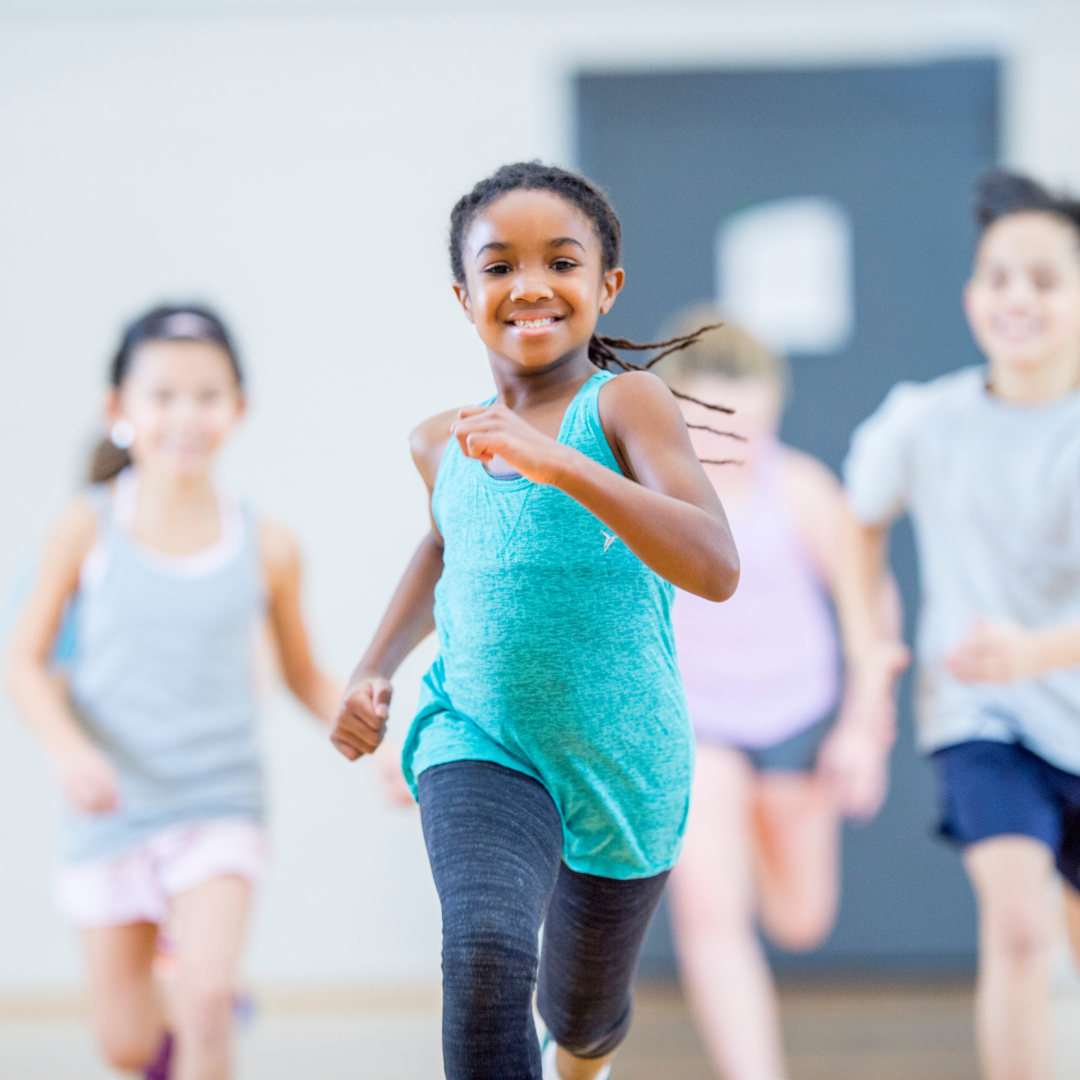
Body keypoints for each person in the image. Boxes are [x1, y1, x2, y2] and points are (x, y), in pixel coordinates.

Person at [329, 161, 740, 1080]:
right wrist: (375, 667)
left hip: (622, 758)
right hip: (478, 734)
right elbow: (444, 547)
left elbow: (716, 566)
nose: (530, 286)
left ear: (606, 286)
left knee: (582, 1016)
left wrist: (556, 463)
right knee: (481, 956)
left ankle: (579, 1057)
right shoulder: (440, 440)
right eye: (499, 265)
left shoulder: (628, 404)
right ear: (463, 293)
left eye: (561, 261)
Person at [4, 305, 340, 1080]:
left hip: (218, 802)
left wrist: (385, 748)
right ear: (118, 410)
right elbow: (21, 664)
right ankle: (179, 1011)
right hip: (113, 809)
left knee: (206, 1001)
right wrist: (68, 751)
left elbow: (303, 674)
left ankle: (205, 1001)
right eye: (163, 396)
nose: (186, 415)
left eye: (207, 395)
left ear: (238, 409)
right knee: (126, 1043)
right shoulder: (82, 530)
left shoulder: (270, 545)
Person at [843, 169, 1080, 1080]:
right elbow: (855, 521)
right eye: (997, 276)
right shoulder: (923, 420)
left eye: (1045, 280)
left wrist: (1036, 651)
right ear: (971, 293)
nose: (1016, 298)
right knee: (1020, 930)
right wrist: (870, 645)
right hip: (984, 718)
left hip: (1058, 685)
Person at [657, 310, 906, 1080]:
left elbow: (873, 611)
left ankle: (762, 831)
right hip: (699, 724)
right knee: (706, 907)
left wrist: (866, 728)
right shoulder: (651, 494)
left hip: (796, 717)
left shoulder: (800, 489)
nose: (730, 441)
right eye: (708, 423)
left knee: (801, 920)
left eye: (748, 423)